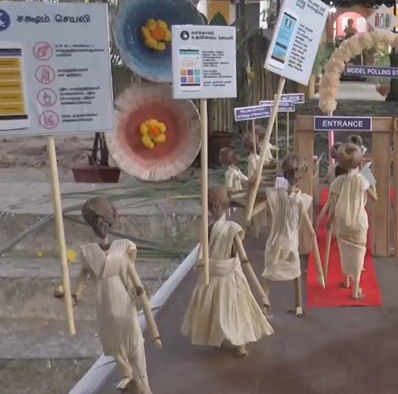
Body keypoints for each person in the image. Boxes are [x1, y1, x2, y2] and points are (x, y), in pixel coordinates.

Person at [56, 197, 159, 393]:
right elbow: (81, 280)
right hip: (104, 306)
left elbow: (133, 276)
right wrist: (72, 297)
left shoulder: (123, 248)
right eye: (96, 222)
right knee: (114, 344)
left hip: (123, 302)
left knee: (135, 342)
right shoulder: (88, 254)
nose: (100, 226)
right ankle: (127, 373)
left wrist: (139, 291)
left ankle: (144, 385)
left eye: (102, 221)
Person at [181, 186, 273, 357]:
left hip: (220, 275)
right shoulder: (228, 229)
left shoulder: (218, 229)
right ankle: (237, 344)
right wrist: (261, 293)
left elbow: (204, 254)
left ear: (212, 207)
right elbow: (244, 260)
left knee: (219, 308)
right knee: (234, 310)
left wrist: (261, 293)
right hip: (228, 276)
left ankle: (234, 343)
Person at [262, 155, 324, 316]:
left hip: (275, 240)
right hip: (289, 242)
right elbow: (309, 227)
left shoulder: (277, 195)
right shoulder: (300, 200)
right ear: (301, 174)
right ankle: (298, 305)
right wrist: (313, 236)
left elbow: (269, 211)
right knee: (295, 272)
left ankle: (264, 305)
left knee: (269, 272)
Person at [316, 143, 377, 299]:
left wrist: (328, 221)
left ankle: (346, 281)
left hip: (342, 221)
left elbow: (333, 205)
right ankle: (355, 290)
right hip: (359, 221)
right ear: (360, 161)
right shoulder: (363, 180)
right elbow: (375, 198)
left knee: (345, 251)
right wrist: (368, 175)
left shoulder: (337, 182)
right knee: (358, 252)